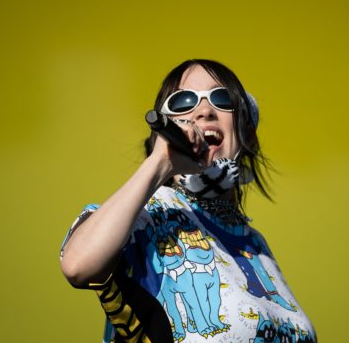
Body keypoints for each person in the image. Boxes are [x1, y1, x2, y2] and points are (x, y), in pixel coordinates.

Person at [60, 59, 317, 343]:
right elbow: (78, 266)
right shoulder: (152, 213)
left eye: (222, 99)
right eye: (183, 102)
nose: (204, 110)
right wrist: (160, 163)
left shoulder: (256, 245)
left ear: (248, 134)